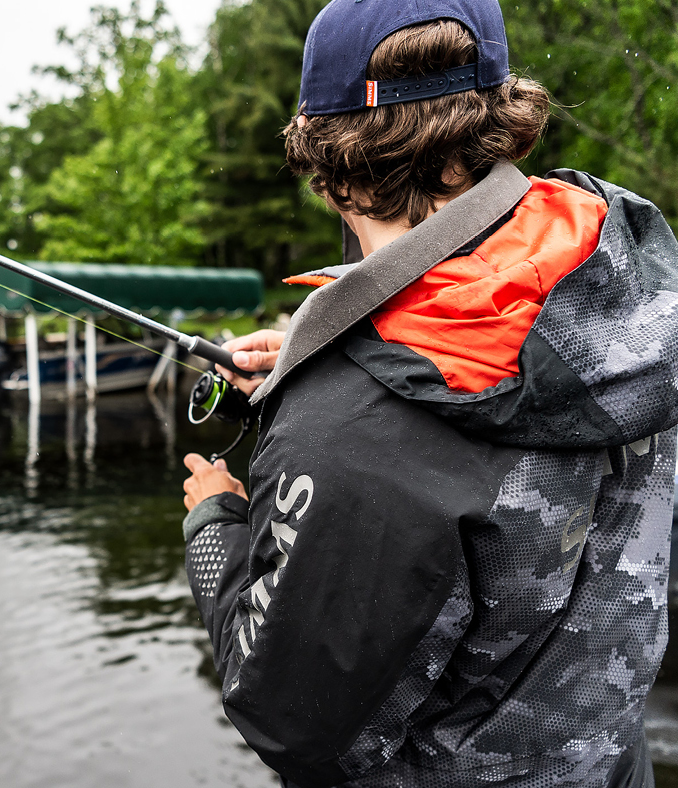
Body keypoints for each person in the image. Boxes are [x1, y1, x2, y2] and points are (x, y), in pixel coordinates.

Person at [178, 1, 678, 786]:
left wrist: (214, 519)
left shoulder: (342, 434)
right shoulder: (623, 272)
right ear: (496, 120)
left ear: (324, 158)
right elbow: (480, 304)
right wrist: (327, 352)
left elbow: (287, 717)